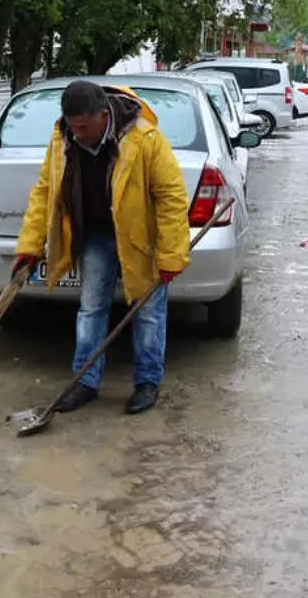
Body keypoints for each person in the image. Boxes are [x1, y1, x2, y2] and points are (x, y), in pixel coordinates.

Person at [12, 80, 192, 415]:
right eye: (72, 126)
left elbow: (171, 198)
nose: (77, 133)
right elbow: (44, 192)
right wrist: (30, 244)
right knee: (91, 308)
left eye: (83, 126)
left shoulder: (145, 138)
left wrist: (171, 255)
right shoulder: (63, 138)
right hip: (95, 235)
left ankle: (147, 382)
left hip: (141, 239)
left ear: (103, 115)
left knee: (148, 313)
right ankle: (85, 381)